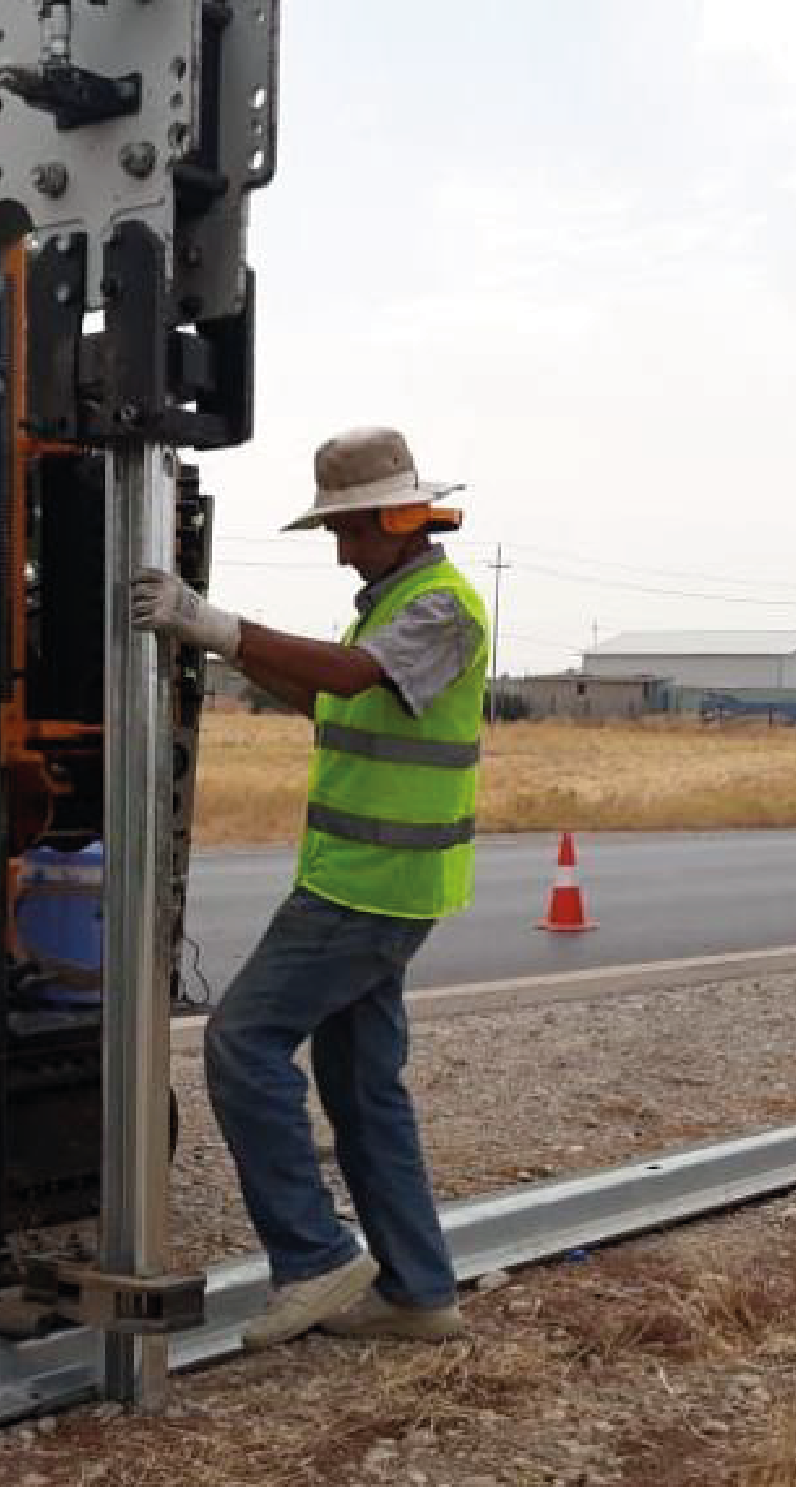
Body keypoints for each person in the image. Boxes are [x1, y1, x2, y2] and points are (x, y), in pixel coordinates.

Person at [131, 426, 488, 1349]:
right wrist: (216, 643)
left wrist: (217, 624)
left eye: (349, 529)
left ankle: (314, 1256)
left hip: (368, 888)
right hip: (375, 882)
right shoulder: (391, 604)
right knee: (362, 1088)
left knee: (241, 1044)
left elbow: (348, 676)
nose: (339, 549)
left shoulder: (437, 607)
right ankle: (418, 1293)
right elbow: (328, 696)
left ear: (399, 518)